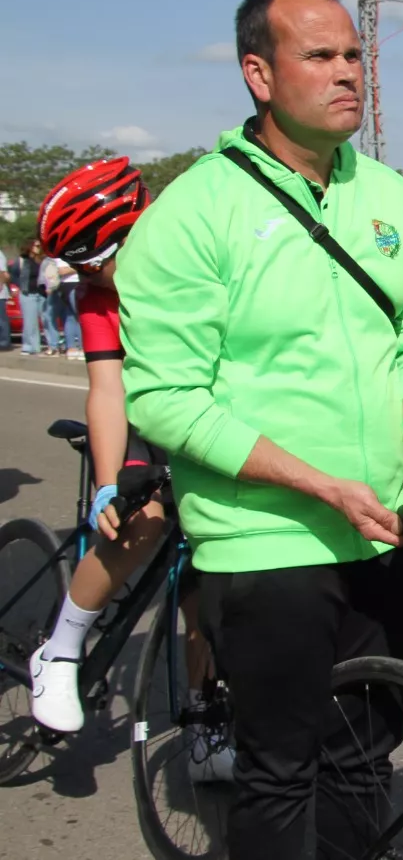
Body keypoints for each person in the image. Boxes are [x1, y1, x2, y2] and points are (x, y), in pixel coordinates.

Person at [116, 0, 403, 860]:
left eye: (354, 54)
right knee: (278, 771)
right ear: (259, 75)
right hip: (266, 543)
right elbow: (167, 398)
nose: (349, 72)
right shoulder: (193, 213)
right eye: (321, 55)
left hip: (383, 530)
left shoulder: (384, 194)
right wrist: (318, 484)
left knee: (365, 761)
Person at [27, 160, 232, 760]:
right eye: (86, 269)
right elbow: (108, 392)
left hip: (192, 417)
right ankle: (60, 649)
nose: (95, 278)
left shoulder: (194, 264)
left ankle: (202, 712)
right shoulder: (98, 300)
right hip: (140, 424)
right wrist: (110, 484)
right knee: (141, 523)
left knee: (210, 579)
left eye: (97, 263)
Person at [13, 237, 56, 356]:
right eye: (36, 246)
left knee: (46, 320)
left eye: (39, 246)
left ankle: (52, 345)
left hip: (42, 294)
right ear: (29, 247)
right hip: (28, 294)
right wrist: (21, 286)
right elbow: (14, 275)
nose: (38, 248)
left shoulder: (42, 260)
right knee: (30, 322)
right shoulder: (22, 260)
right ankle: (31, 347)